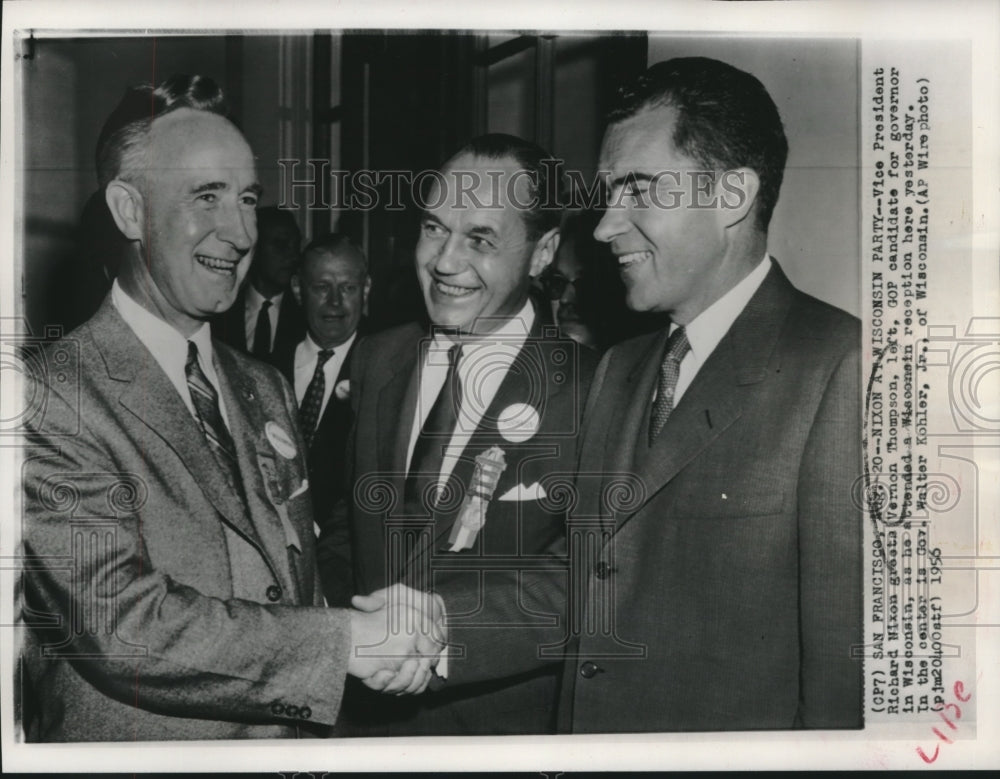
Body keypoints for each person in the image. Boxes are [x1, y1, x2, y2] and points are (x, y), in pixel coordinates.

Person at [19, 74, 442, 742]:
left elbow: (287, 583)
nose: (242, 232)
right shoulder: (50, 399)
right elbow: (126, 628)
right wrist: (343, 643)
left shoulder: (261, 385)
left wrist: (380, 624)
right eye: (207, 196)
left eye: (248, 199)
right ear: (129, 211)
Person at [557, 56, 863, 731]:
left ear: (733, 195)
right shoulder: (620, 366)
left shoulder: (841, 365)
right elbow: (582, 579)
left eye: (637, 189)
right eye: (609, 193)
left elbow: (844, 690)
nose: (605, 227)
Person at [330, 133, 597, 735]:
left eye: (480, 239)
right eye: (433, 228)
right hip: (360, 727)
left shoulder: (591, 390)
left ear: (541, 252)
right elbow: (350, 525)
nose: (445, 262)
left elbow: (591, 579)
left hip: (492, 734)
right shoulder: (377, 358)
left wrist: (446, 629)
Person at [282, 233, 371, 605]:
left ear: (366, 290)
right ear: (299, 289)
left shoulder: (386, 372)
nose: (335, 302)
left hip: (346, 586)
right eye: (322, 287)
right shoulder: (260, 369)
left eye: (347, 287)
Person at [212, 205, 306, 366]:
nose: (293, 256)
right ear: (253, 250)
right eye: (281, 245)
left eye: (295, 245)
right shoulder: (220, 312)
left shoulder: (306, 315)